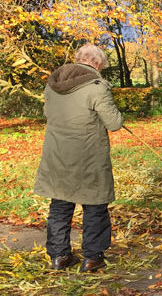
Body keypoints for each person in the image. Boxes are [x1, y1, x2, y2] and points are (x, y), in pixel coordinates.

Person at [34, 44, 123, 272]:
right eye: (101, 66)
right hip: (88, 157)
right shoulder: (96, 87)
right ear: (95, 63)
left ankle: (60, 256)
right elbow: (113, 123)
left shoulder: (52, 86)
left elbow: (48, 114)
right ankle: (92, 258)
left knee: (60, 204)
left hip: (57, 155)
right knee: (94, 205)